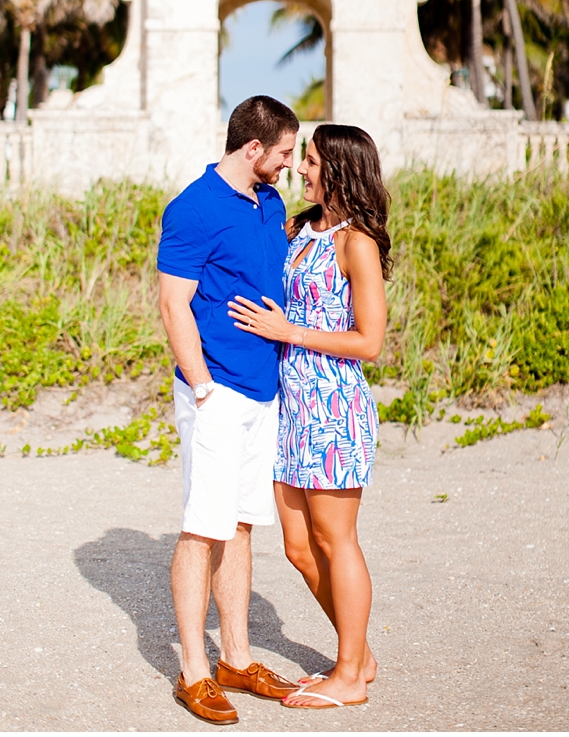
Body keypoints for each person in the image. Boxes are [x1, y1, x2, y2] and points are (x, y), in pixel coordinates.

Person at [228, 123, 390, 711]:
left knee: (334, 537)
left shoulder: (358, 243)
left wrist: (289, 331)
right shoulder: (299, 229)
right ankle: (359, 652)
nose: (301, 168)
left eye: (313, 160)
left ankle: (349, 675)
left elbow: (370, 341)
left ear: (342, 169)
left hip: (333, 404)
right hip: (288, 402)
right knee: (297, 545)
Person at [157, 95, 301, 726]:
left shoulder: (271, 203)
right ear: (254, 150)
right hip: (215, 393)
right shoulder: (193, 208)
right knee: (201, 528)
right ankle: (193, 671)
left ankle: (236, 659)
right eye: (286, 153)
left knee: (240, 526)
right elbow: (173, 304)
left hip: (262, 392)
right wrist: (202, 386)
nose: (291, 165)